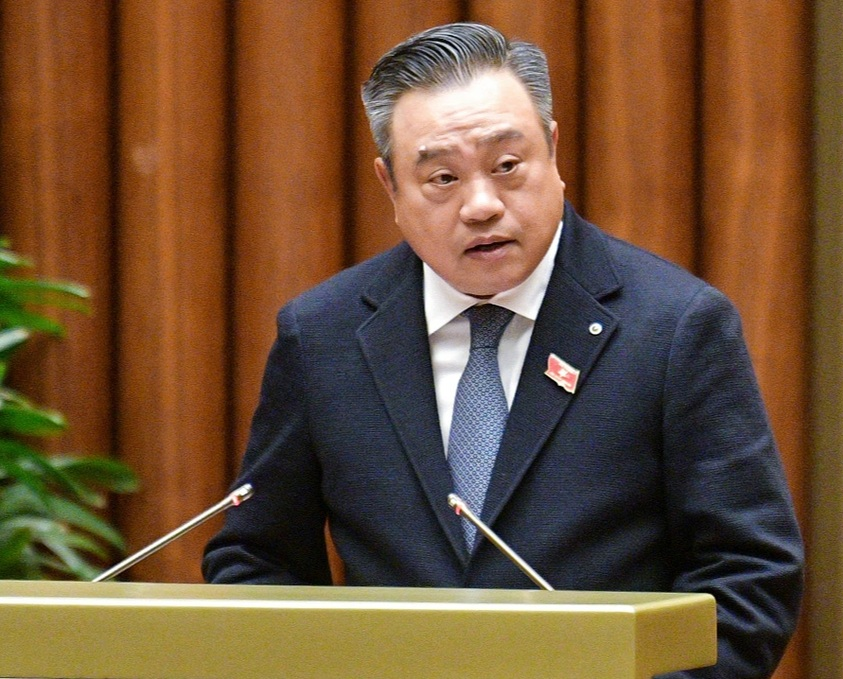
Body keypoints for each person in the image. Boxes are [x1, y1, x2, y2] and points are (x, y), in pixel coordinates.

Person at [203, 22, 803, 679]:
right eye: (442, 178)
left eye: (507, 166)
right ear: (390, 186)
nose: (481, 205)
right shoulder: (324, 336)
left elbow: (749, 573)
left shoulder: (674, 327)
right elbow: (257, 559)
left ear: (553, 150)